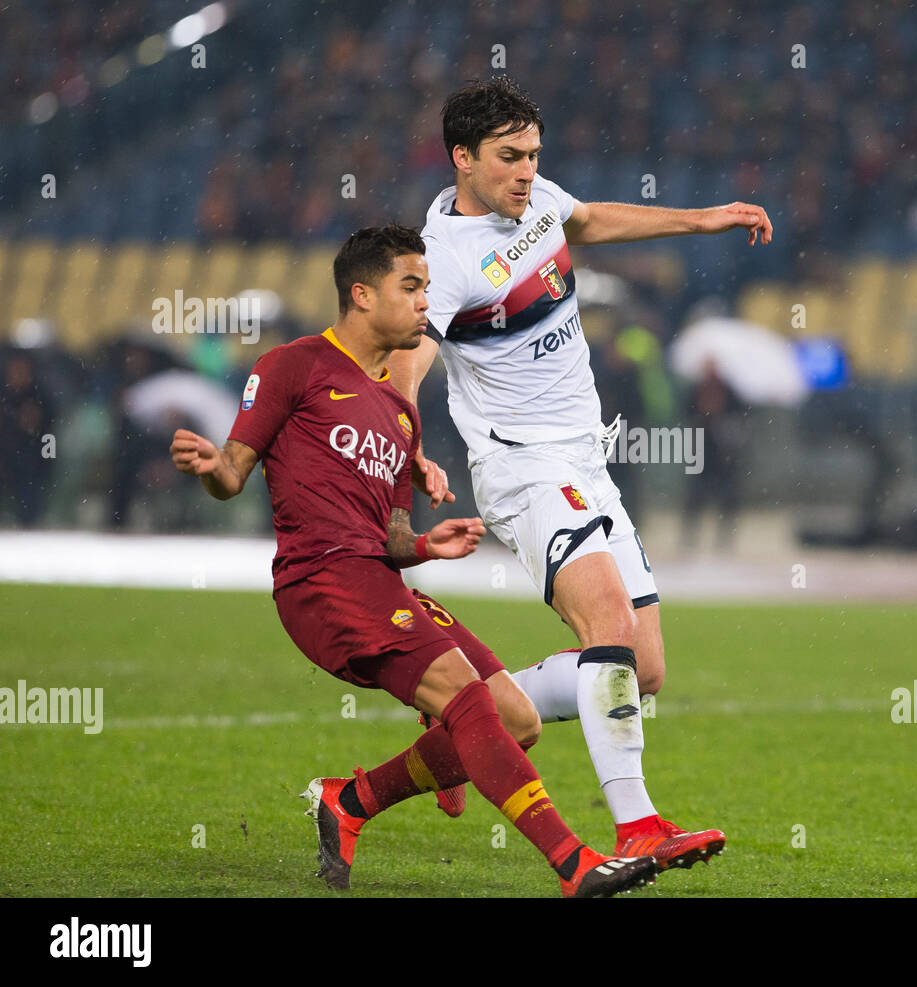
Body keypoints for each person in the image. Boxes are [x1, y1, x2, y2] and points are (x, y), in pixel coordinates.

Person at [170, 225, 656, 898]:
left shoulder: (400, 414)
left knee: (517, 719)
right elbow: (233, 472)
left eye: (429, 287)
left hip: (379, 578)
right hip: (322, 583)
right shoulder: (294, 365)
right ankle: (574, 862)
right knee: (463, 694)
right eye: (412, 287)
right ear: (362, 295)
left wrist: (431, 544)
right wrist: (209, 468)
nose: (428, 302)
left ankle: (350, 799)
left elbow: (393, 534)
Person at [387, 76, 772, 869]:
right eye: (507, 158)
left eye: (532, 154)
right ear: (461, 158)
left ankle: (469, 712)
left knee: (646, 668)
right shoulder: (447, 262)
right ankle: (639, 826)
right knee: (608, 631)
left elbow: (588, 219)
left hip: (586, 460)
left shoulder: (533, 202)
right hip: (523, 468)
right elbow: (407, 363)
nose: (525, 171)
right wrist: (409, 443)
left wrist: (704, 219)